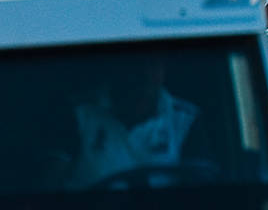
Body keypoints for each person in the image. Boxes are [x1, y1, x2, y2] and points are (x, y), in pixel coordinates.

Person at [67, 57, 201, 188]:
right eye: (137, 64)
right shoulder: (78, 115)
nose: (145, 74)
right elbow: (53, 181)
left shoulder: (186, 119)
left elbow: (203, 186)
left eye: (153, 63)